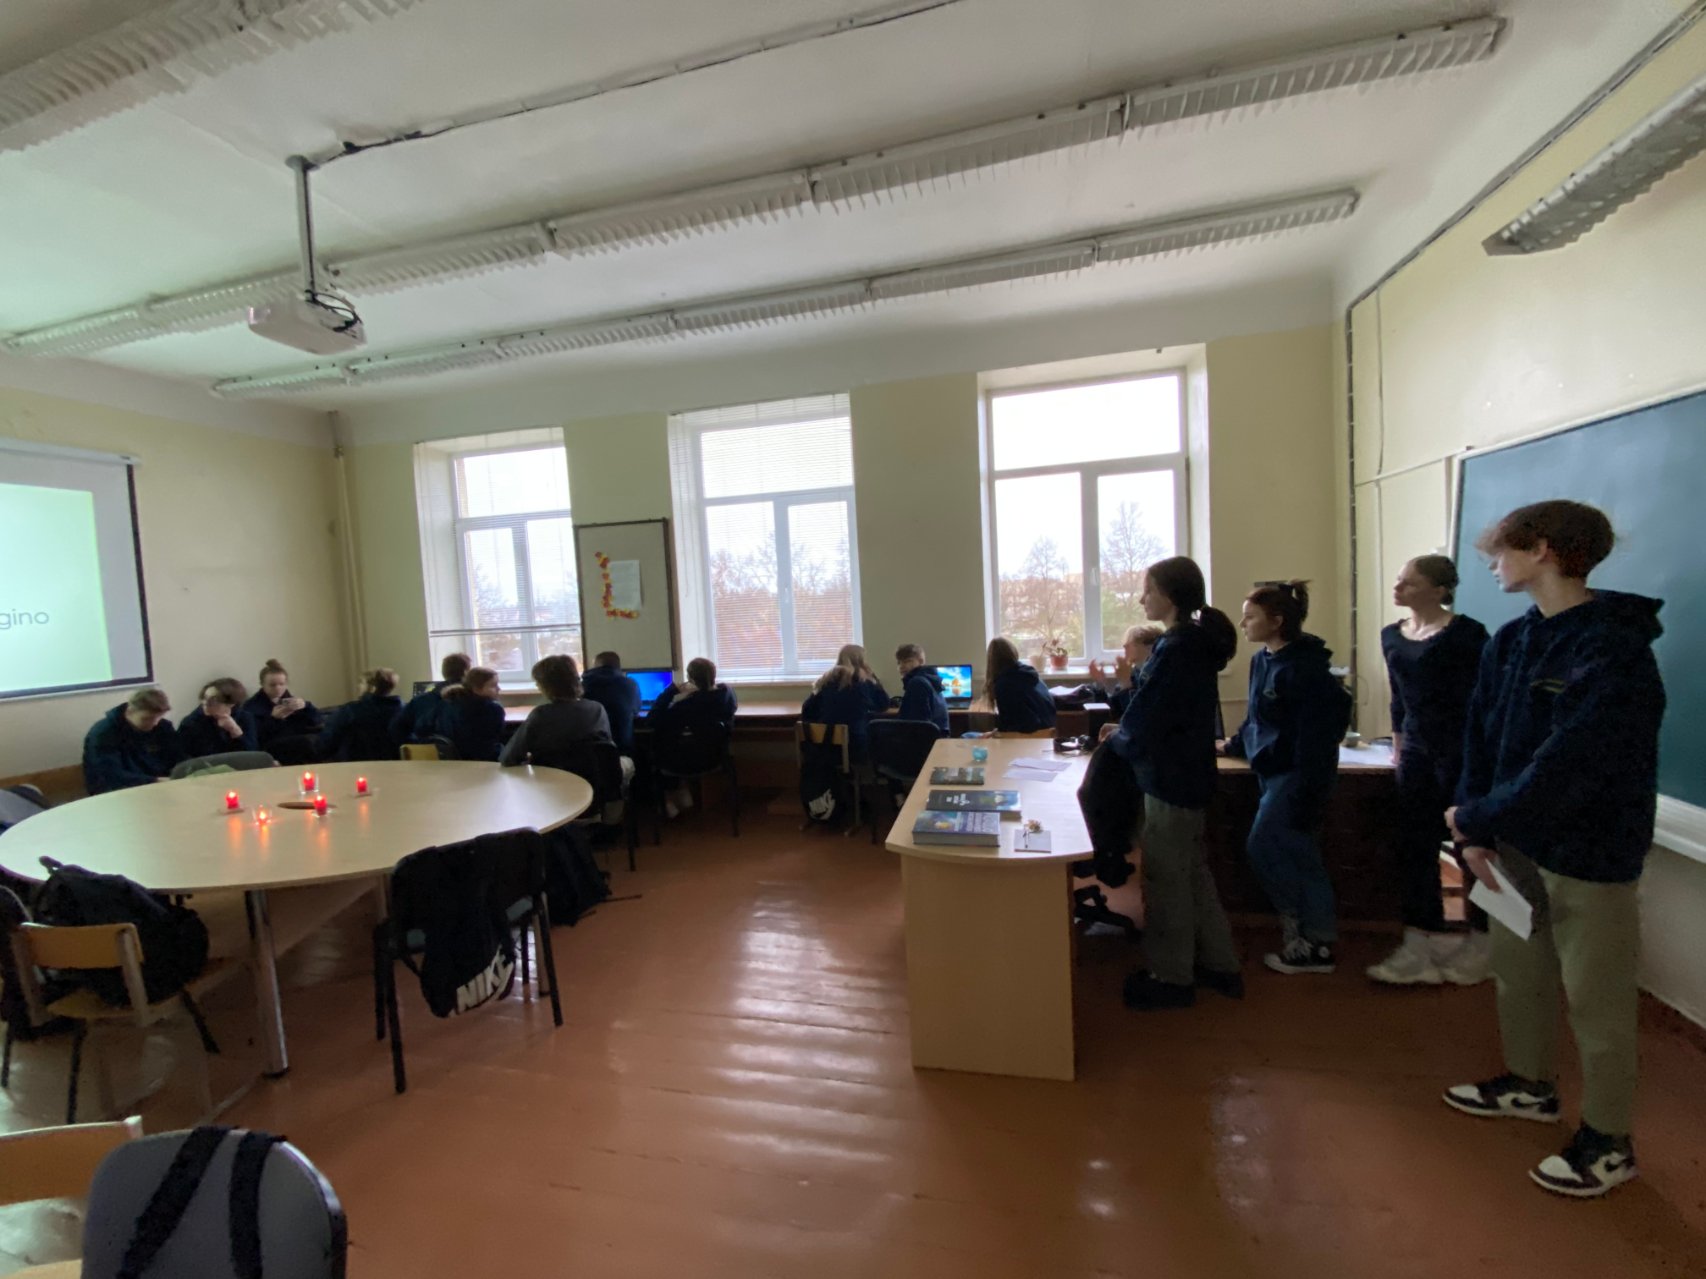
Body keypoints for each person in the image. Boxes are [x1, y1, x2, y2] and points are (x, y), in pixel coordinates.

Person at [1442, 500, 1664, 1199]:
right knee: (1519, 971)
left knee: (1597, 999)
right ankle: (1530, 1085)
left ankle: (1608, 1141)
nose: (1490, 563)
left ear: (1541, 549)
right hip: (1512, 843)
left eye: (1500, 549)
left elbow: (1571, 763)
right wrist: (1474, 830)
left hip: (1589, 851)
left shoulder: (1613, 649)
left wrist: (1479, 814)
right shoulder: (1512, 640)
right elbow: (1480, 740)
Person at [1083, 558, 1243, 1010]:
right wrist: (1126, 728)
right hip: (1188, 776)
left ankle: (1171, 977)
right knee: (1192, 874)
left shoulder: (1177, 649)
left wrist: (1120, 737)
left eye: (1148, 590)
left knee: (1166, 880)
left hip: (1169, 780)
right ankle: (1218, 963)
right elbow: (1156, 712)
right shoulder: (1192, 643)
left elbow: (1148, 724)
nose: (1141, 599)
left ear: (1169, 597)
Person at [1369, 556, 1492, 986]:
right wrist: (1399, 747)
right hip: (1417, 754)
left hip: (1461, 752)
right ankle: (1420, 938)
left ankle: (1483, 941)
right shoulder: (1391, 635)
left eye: (1409, 583)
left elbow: (1484, 699)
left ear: (1439, 590)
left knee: (1471, 846)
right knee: (1414, 846)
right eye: (1398, 581)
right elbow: (1398, 699)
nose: (1398, 588)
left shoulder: (1468, 634)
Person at [1223, 581, 1352, 976]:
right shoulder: (1262, 660)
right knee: (1298, 851)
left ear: (1277, 621)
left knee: (1267, 845)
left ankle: (1311, 940)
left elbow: (1318, 736)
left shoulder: (1306, 668)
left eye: (1250, 617)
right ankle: (1311, 938)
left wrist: (1308, 791)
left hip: (1297, 776)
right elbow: (1256, 718)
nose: (1243, 624)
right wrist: (1233, 745)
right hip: (1270, 771)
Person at [650, 658, 739, 817]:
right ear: (714, 675)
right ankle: (680, 792)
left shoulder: (685, 706)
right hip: (716, 758)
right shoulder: (728, 696)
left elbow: (652, 720)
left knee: (656, 745)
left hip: (683, 763)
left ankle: (671, 796)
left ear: (690, 679)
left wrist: (670, 692)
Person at [502, 655, 612, 768]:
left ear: (546, 686)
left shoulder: (540, 715)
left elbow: (508, 758)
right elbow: (606, 748)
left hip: (553, 776)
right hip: (594, 775)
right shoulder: (597, 709)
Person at [82, 687, 185, 793]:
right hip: (119, 791)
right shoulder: (103, 733)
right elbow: (110, 774)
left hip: (161, 786)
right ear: (130, 711)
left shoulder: (163, 727)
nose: (155, 723)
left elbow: (178, 758)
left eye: (159, 717)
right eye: (147, 718)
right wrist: (155, 781)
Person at [801, 644, 890, 761]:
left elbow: (807, 708)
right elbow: (883, 705)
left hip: (824, 744)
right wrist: (874, 679)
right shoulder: (863, 680)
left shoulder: (826, 680)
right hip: (855, 744)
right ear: (861, 661)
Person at [243, 658, 323, 765]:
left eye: (281, 684)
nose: (278, 688)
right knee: (306, 742)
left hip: (296, 739)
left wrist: (306, 706)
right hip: (272, 745)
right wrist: (273, 719)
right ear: (262, 684)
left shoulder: (289, 699)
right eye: (272, 685)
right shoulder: (252, 707)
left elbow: (317, 720)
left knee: (326, 734)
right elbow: (255, 737)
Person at [317, 669, 404, 762]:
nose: (358, 686)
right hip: (395, 764)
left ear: (372, 688)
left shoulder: (350, 710)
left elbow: (327, 742)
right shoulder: (403, 710)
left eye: (361, 683)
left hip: (356, 765)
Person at [390, 652, 472, 745]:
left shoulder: (419, 701)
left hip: (426, 753)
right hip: (466, 753)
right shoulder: (474, 699)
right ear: (467, 672)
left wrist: (418, 745)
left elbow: (396, 729)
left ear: (444, 673)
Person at [983, 637, 1056, 735]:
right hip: (1047, 733)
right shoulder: (1030, 673)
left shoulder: (1004, 685)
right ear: (1013, 653)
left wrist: (995, 734)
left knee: (968, 735)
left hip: (1029, 738)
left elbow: (1015, 726)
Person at [1088, 623, 1165, 716]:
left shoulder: (1159, 676)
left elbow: (1138, 716)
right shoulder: (1133, 674)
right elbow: (1112, 711)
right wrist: (1100, 684)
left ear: (1150, 647)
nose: (1125, 645)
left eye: (1133, 642)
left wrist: (1125, 683)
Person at [435, 667, 506, 762]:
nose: (498, 689)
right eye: (493, 685)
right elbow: (497, 736)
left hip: (453, 759)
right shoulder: (491, 708)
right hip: (484, 758)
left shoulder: (448, 703)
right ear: (476, 688)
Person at [177, 677, 258, 758]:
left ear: (231, 704)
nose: (205, 702)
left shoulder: (244, 718)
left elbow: (251, 755)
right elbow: (184, 757)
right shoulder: (190, 723)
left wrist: (234, 731)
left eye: (213, 699)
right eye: (204, 697)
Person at [582, 651, 642, 755]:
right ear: (618, 666)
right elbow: (636, 710)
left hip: (590, 753)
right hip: (621, 749)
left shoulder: (582, 686)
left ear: (596, 665)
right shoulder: (631, 684)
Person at [894, 644, 949, 736]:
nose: (901, 666)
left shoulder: (917, 683)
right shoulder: (930, 679)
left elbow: (917, 725)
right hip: (939, 738)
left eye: (907, 661)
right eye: (899, 662)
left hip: (926, 741)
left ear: (921, 661)